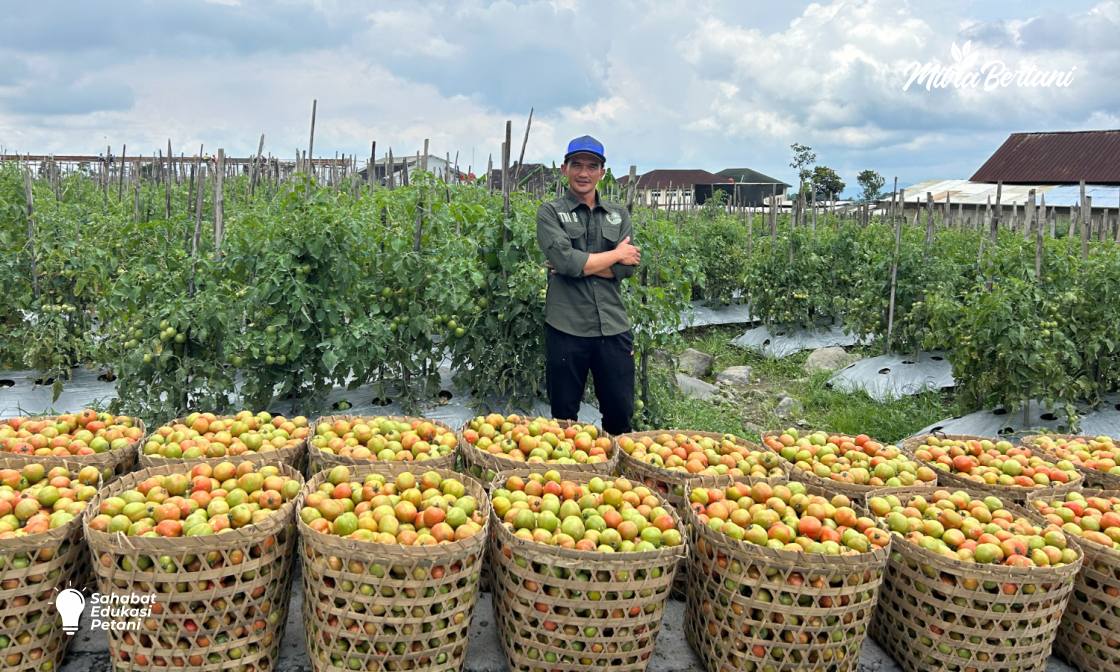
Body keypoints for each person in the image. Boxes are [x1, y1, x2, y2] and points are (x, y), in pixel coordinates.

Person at [535, 135, 641, 435]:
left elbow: (628, 268)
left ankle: (618, 477)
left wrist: (582, 265)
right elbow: (565, 262)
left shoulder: (618, 214)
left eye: (592, 166)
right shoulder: (550, 212)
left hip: (613, 326)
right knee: (564, 416)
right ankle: (569, 475)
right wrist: (614, 256)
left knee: (620, 413)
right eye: (577, 165)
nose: (584, 173)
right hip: (566, 326)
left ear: (602, 173)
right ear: (563, 169)